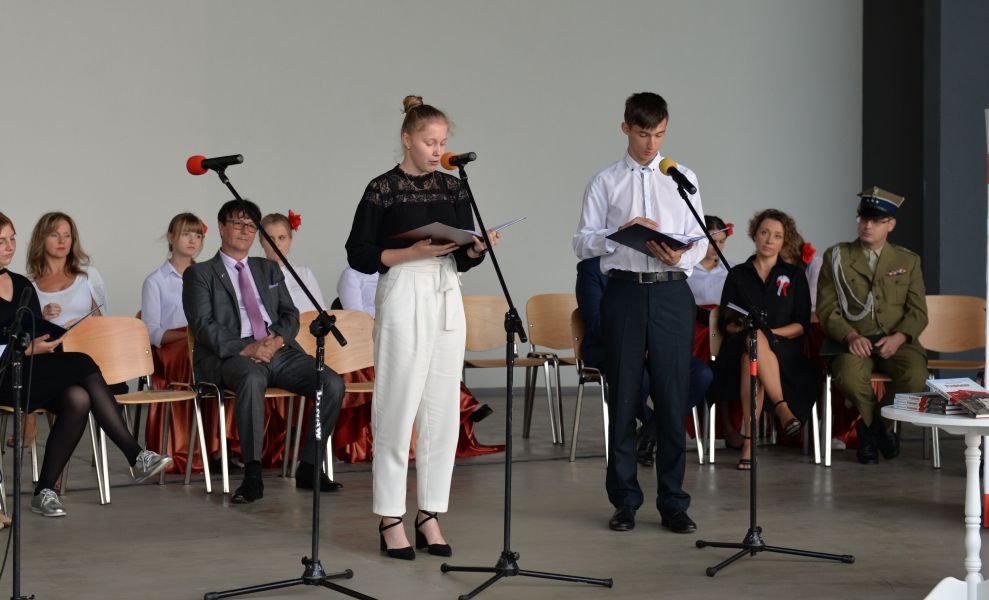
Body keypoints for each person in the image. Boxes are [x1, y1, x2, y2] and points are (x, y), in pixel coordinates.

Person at [345, 95, 498, 560]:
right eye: (430, 142)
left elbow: (462, 256)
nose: (438, 150)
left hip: (446, 290)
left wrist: (476, 249)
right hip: (403, 287)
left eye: (443, 142)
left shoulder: (454, 188)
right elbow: (358, 253)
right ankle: (390, 516)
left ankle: (430, 512)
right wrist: (407, 254)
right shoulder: (383, 189)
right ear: (407, 139)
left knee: (442, 410)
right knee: (397, 405)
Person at [573, 92, 707, 535]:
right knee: (624, 395)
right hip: (625, 292)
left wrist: (682, 257)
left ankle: (674, 502)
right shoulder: (605, 181)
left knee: (672, 395)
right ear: (626, 128)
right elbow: (581, 243)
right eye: (644, 134)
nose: (652, 144)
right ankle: (625, 500)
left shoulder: (682, 177)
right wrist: (620, 233)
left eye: (660, 134)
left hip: (672, 292)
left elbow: (700, 239)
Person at [0, 212, 171, 517]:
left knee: (78, 398)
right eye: (1, 241)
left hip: (28, 372)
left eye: (12, 238)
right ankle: (135, 454)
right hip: (3, 376)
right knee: (82, 362)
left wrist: (44, 342)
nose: (10, 246)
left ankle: (44, 491)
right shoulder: (29, 282)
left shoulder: (21, 284)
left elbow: (34, 332)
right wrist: (25, 349)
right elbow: (21, 344)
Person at [182, 199, 345, 504]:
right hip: (229, 355)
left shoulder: (267, 268)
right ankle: (253, 475)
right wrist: (248, 347)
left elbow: (290, 314)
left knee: (331, 383)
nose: (245, 230)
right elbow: (203, 326)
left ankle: (310, 466)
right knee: (252, 378)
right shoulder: (200, 274)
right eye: (237, 223)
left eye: (250, 225)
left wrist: (277, 340)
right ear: (221, 227)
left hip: (277, 350)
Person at [817, 187, 928, 464]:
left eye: (877, 221)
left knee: (915, 376)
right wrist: (850, 336)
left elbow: (918, 312)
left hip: (896, 341)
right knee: (848, 376)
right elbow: (827, 308)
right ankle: (880, 432)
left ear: (891, 224)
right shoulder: (837, 256)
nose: (867, 225)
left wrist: (900, 337)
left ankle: (873, 429)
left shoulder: (908, 260)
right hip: (855, 341)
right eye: (864, 218)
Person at [575, 255, 713, 467]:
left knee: (701, 374)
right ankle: (653, 427)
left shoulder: (654, 265)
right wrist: (640, 343)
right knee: (641, 379)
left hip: (656, 346)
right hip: (608, 347)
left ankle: (651, 431)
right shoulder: (591, 269)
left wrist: (652, 343)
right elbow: (596, 322)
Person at [715, 209, 820, 470]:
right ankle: (782, 408)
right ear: (755, 234)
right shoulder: (737, 273)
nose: (769, 240)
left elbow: (801, 325)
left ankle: (749, 443)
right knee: (751, 346)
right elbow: (726, 323)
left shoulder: (794, 275)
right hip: (738, 347)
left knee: (751, 358)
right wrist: (744, 329)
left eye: (777, 235)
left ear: (784, 241)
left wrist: (767, 334)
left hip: (785, 354)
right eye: (764, 232)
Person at [23, 211, 112, 448]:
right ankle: (135, 453)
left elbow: (104, 322)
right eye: (55, 235)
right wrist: (41, 316)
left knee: (71, 389)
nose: (62, 241)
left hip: (87, 356)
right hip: (51, 358)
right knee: (68, 391)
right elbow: (27, 334)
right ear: (41, 239)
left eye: (67, 235)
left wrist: (81, 327)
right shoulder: (29, 285)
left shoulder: (88, 276)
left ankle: (28, 415)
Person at [140, 213, 207, 473]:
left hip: (199, 344)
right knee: (189, 354)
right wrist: (186, 336)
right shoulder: (155, 281)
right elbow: (152, 332)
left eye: (197, 235)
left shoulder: (207, 276)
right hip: (170, 351)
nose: (193, 240)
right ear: (171, 237)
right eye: (186, 234)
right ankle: (187, 447)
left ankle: (220, 444)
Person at [259, 211, 326, 314]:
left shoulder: (304, 273)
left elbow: (322, 311)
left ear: (290, 240)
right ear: (261, 242)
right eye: (270, 238)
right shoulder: (256, 276)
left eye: (281, 238)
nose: (276, 244)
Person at [686, 215, 732, 306]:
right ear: (698, 239)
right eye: (712, 242)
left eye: (721, 241)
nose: (717, 247)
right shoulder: (685, 269)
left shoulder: (732, 270)